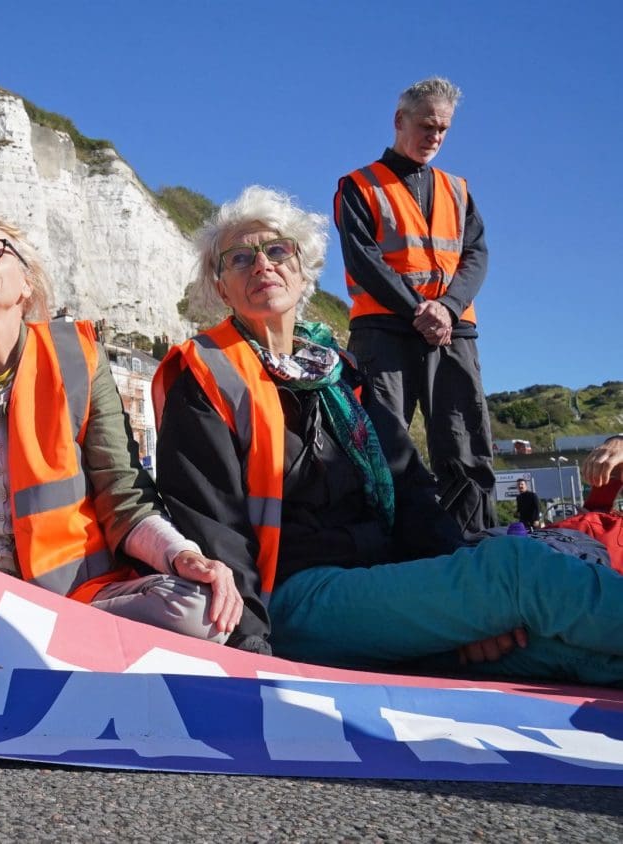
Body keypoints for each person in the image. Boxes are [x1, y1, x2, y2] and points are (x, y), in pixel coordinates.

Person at [153, 186, 623, 684]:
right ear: (221, 287)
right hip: (290, 597)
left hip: (385, 586)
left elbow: (412, 489)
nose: (262, 265)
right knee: (518, 571)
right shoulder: (205, 376)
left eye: (276, 250)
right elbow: (213, 526)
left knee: (549, 649)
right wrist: (252, 651)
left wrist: (471, 612)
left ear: (303, 267)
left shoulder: (344, 374)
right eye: (240, 258)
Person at [0, 216, 246, 647]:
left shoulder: (79, 360)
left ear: (26, 285)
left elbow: (122, 490)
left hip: (73, 599)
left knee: (201, 611)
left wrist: (181, 554)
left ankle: (8, 640)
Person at [335, 76, 496, 532]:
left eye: (443, 129)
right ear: (399, 121)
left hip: (453, 329)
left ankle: (473, 541)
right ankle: (388, 544)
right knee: (381, 441)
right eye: (427, 126)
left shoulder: (458, 189)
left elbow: (476, 254)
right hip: (384, 330)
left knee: (465, 442)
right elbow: (363, 258)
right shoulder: (359, 185)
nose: (435, 137)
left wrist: (446, 307)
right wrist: (418, 309)